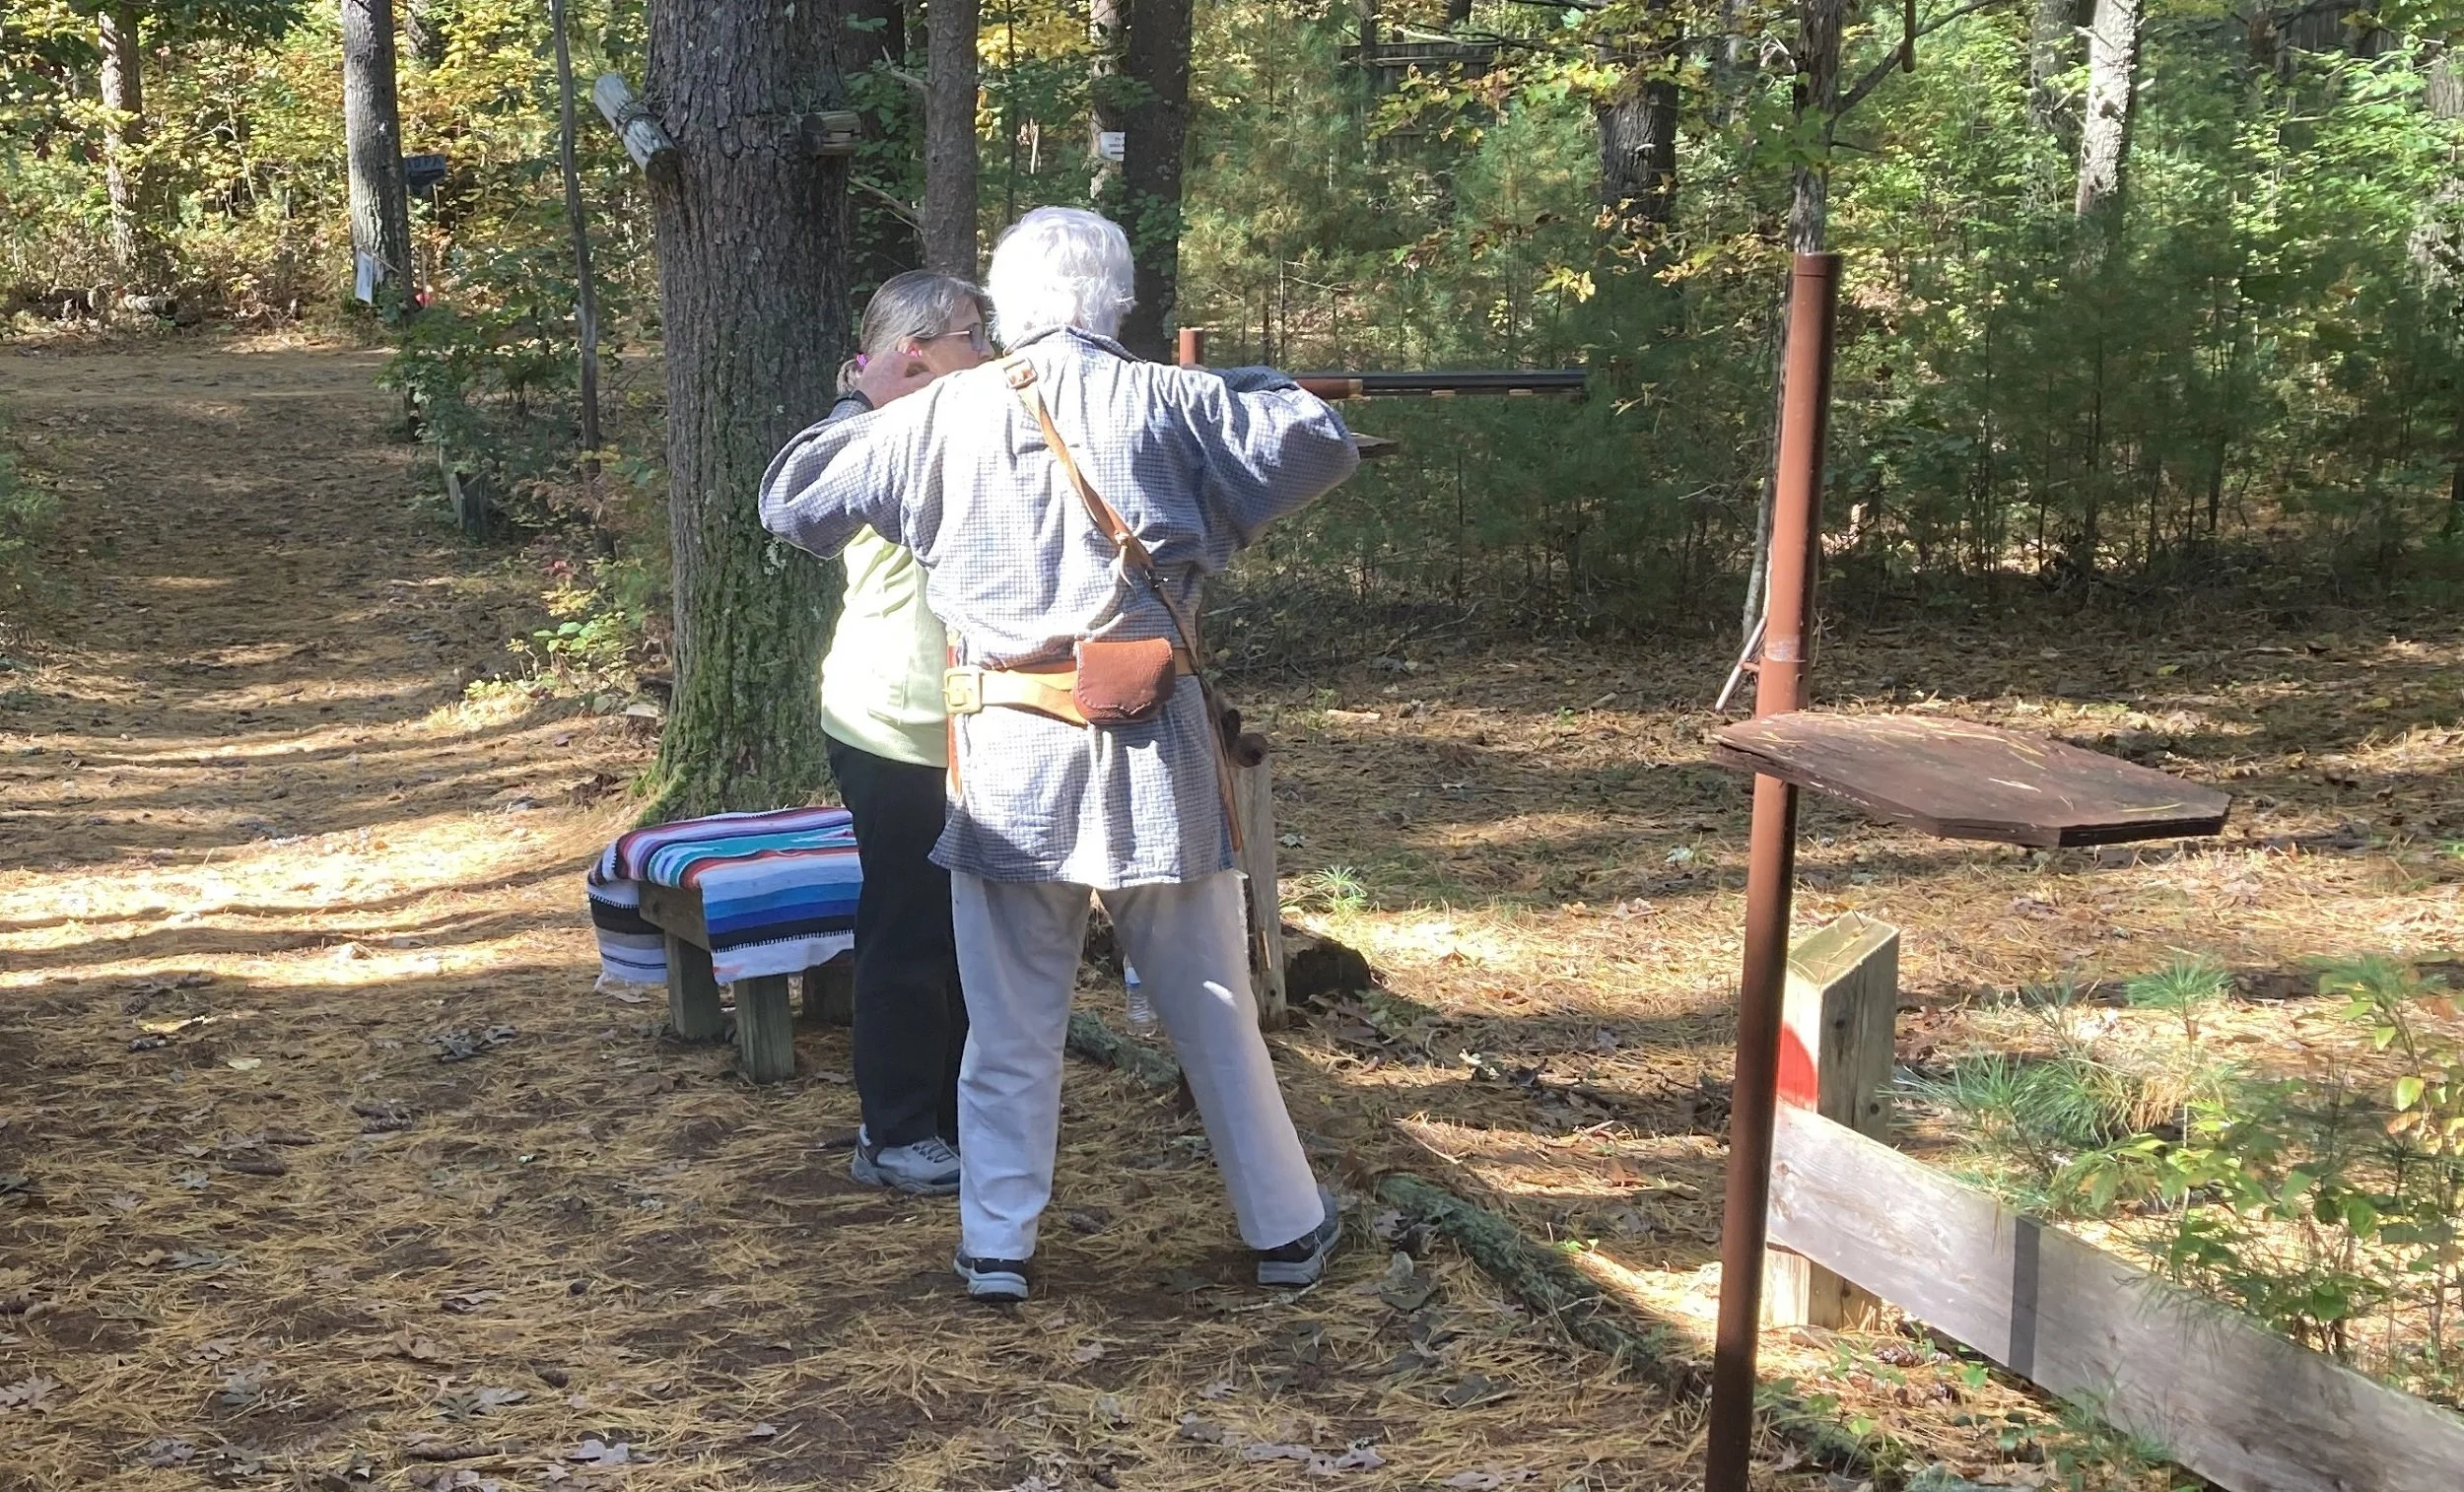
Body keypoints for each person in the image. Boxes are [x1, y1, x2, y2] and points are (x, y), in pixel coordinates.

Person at [760, 207, 1360, 1302]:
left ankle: (997, 1244)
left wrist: (868, 395)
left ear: (1007, 309)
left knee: (1008, 1019)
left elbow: (793, 496)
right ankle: (1285, 1227)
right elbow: (1313, 440)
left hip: (1005, 758)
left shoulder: (938, 411)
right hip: (1155, 756)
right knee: (1213, 1006)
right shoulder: (1180, 401)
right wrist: (1252, 376)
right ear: (1116, 305)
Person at [822, 271, 995, 1195]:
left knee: (972, 932)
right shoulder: (869, 438)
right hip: (891, 720)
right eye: (972, 334)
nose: (989, 350)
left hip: (970, 725)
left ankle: (952, 1116)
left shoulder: (956, 423)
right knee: (907, 929)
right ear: (913, 354)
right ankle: (891, 1129)